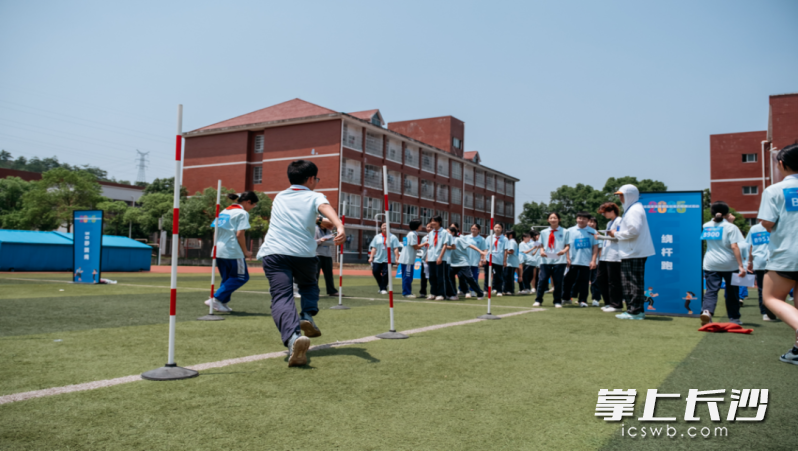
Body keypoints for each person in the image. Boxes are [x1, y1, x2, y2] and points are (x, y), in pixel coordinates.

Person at [257, 160, 345, 367]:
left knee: (281, 296)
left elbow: (296, 215)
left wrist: (317, 221)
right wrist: (339, 226)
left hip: (274, 253)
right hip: (303, 254)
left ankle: (292, 339)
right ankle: (307, 314)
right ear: (311, 179)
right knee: (309, 285)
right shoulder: (314, 196)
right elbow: (325, 207)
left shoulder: (279, 196)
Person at [756, 143, 798, 365]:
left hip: (787, 255)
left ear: (782, 164)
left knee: (771, 298)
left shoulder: (774, 190)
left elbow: (767, 222)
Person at [204, 191, 258, 312]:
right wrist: (245, 251)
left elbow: (215, 232)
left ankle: (222, 302)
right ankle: (215, 299)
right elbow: (240, 234)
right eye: (253, 205)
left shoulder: (224, 212)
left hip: (219, 250)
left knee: (227, 278)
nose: (253, 208)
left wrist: (215, 247)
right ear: (248, 202)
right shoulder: (242, 213)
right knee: (241, 277)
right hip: (232, 250)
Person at [608, 184, 655, 320]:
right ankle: (632, 310)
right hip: (631, 251)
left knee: (633, 282)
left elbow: (634, 231)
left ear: (630, 195)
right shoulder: (632, 209)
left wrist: (616, 234)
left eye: (621, 195)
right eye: (619, 195)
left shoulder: (634, 210)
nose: (620, 198)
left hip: (634, 251)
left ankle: (636, 311)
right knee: (629, 281)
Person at [699, 201, 746, 326]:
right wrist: (741, 266)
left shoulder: (706, 225)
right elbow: (735, 246)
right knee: (732, 291)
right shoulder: (731, 227)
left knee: (711, 290)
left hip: (710, 263)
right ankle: (734, 318)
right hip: (729, 264)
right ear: (727, 213)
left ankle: (707, 311)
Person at [562, 212, 598, 308]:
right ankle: (566, 298)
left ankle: (583, 300)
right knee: (567, 280)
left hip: (586, 262)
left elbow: (595, 247)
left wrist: (593, 260)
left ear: (588, 220)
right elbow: (567, 245)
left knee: (584, 282)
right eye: (579, 218)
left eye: (584, 219)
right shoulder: (569, 231)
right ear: (576, 219)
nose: (581, 220)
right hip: (572, 261)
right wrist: (567, 258)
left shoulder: (593, 232)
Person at [535, 213, 569, 307]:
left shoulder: (565, 231)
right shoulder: (543, 232)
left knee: (558, 281)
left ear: (559, 219)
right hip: (546, 259)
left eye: (555, 218)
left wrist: (564, 251)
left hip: (560, 259)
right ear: (548, 220)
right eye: (551, 218)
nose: (553, 219)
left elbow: (567, 245)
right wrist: (541, 251)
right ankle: (538, 300)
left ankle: (557, 301)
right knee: (542, 279)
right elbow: (541, 245)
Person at [745, 220, 776, 321]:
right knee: (775, 288)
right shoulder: (777, 226)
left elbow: (750, 246)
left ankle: (765, 313)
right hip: (775, 260)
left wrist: (749, 262)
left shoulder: (754, 228)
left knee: (762, 289)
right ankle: (773, 310)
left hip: (759, 261)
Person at [597, 202, 624, 313]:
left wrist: (599, 237)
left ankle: (617, 305)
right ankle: (608, 303)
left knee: (614, 281)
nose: (603, 215)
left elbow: (618, 237)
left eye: (604, 212)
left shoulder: (619, 221)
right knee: (600, 278)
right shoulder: (609, 223)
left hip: (615, 255)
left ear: (612, 211)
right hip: (605, 255)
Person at [449, 225, 487, 299]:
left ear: (453, 233)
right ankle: (454, 294)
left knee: (469, 278)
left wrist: (480, 252)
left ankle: (480, 293)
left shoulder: (458, 240)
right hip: (452, 263)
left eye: (448, 232)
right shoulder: (447, 241)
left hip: (463, 262)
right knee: (450, 278)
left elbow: (470, 245)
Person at [425, 216, 454, 301]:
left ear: (440, 222)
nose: (433, 223)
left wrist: (440, 257)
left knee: (440, 277)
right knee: (432, 276)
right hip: (431, 257)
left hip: (440, 257)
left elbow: (445, 245)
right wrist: (427, 257)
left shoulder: (444, 232)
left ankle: (441, 294)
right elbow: (429, 246)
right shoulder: (430, 233)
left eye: (435, 221)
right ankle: (433, 293)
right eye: (431, 221)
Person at [368, 223, 401, 294]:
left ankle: (383, 289)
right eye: (383, 226)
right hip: (378, 258)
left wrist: (397, 258)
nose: (385, 227)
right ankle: (382, 286)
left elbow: (395, 248)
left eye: (387, 226)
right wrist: (371, 257)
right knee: (375, 272)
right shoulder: (377, 237)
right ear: (380, 228)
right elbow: (374, 248)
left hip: (388, 259)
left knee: (386, 274)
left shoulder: (393, 237)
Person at [400, 219, 424, 298]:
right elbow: (415, 246)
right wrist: (426, 243)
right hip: (408, 259)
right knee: (407, 276)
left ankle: (407, 292)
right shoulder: (412, 235)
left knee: (407, 276)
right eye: (420, 225)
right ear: (417, 226)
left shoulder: (411, 234)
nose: (422, 226)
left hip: (407, 258)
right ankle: (407, 293)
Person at [315, 217, 338, 296]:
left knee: (329, 274)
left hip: (327, 255)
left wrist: (322, 241)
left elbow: (333, 242)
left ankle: (332, 291)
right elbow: (312, 242)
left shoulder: (330, 231)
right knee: (315, 274)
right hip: (317, 254)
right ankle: (314, 291)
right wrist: (321, 240)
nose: (331, 226)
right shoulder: (315, 229)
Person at [464, 224, 487, 298]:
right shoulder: (465, 237)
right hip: (466, 261)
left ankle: (473, 291)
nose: (473, 230)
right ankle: (465, 291)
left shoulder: (481, 239)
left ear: (479, 230)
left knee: (474, 277)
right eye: (472, 228)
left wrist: (481, 260)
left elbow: (483, 250)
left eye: (475, 229)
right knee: (465, 277)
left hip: (475, 261)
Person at [486, 223, 507, 296]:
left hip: (499, 259)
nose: (497, 229)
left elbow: (505, 250)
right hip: (489, 258)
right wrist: (484, 258)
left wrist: (504, 261)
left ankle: (499, 290)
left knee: (498, 276)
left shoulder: (504, 239)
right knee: (488, 275)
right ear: (493, 228)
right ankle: (486, 290)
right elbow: (486, 248)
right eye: (496, 227)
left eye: (499, 227)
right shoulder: (489, 237)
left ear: (502, 229)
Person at [502, 230, 519, 295]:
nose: (505, 237)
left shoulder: (511, 242)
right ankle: (507, 290)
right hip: (510, 262)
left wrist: (503, 252)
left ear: (510, 235)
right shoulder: (510, 241)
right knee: (508, 276)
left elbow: (511, 251)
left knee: (508, 276)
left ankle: (509, 290)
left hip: (510, 262)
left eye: (506, 235)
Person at [418, 223, 431, 297]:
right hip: (424, 260)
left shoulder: (436, 237)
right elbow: (422, 248)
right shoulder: (424, 238)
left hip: (432, 260)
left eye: (431, 227)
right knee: (423, 277)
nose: (429, 228)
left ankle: (433, 292)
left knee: (432, 277)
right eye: (428, 227)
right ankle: (422, 292)